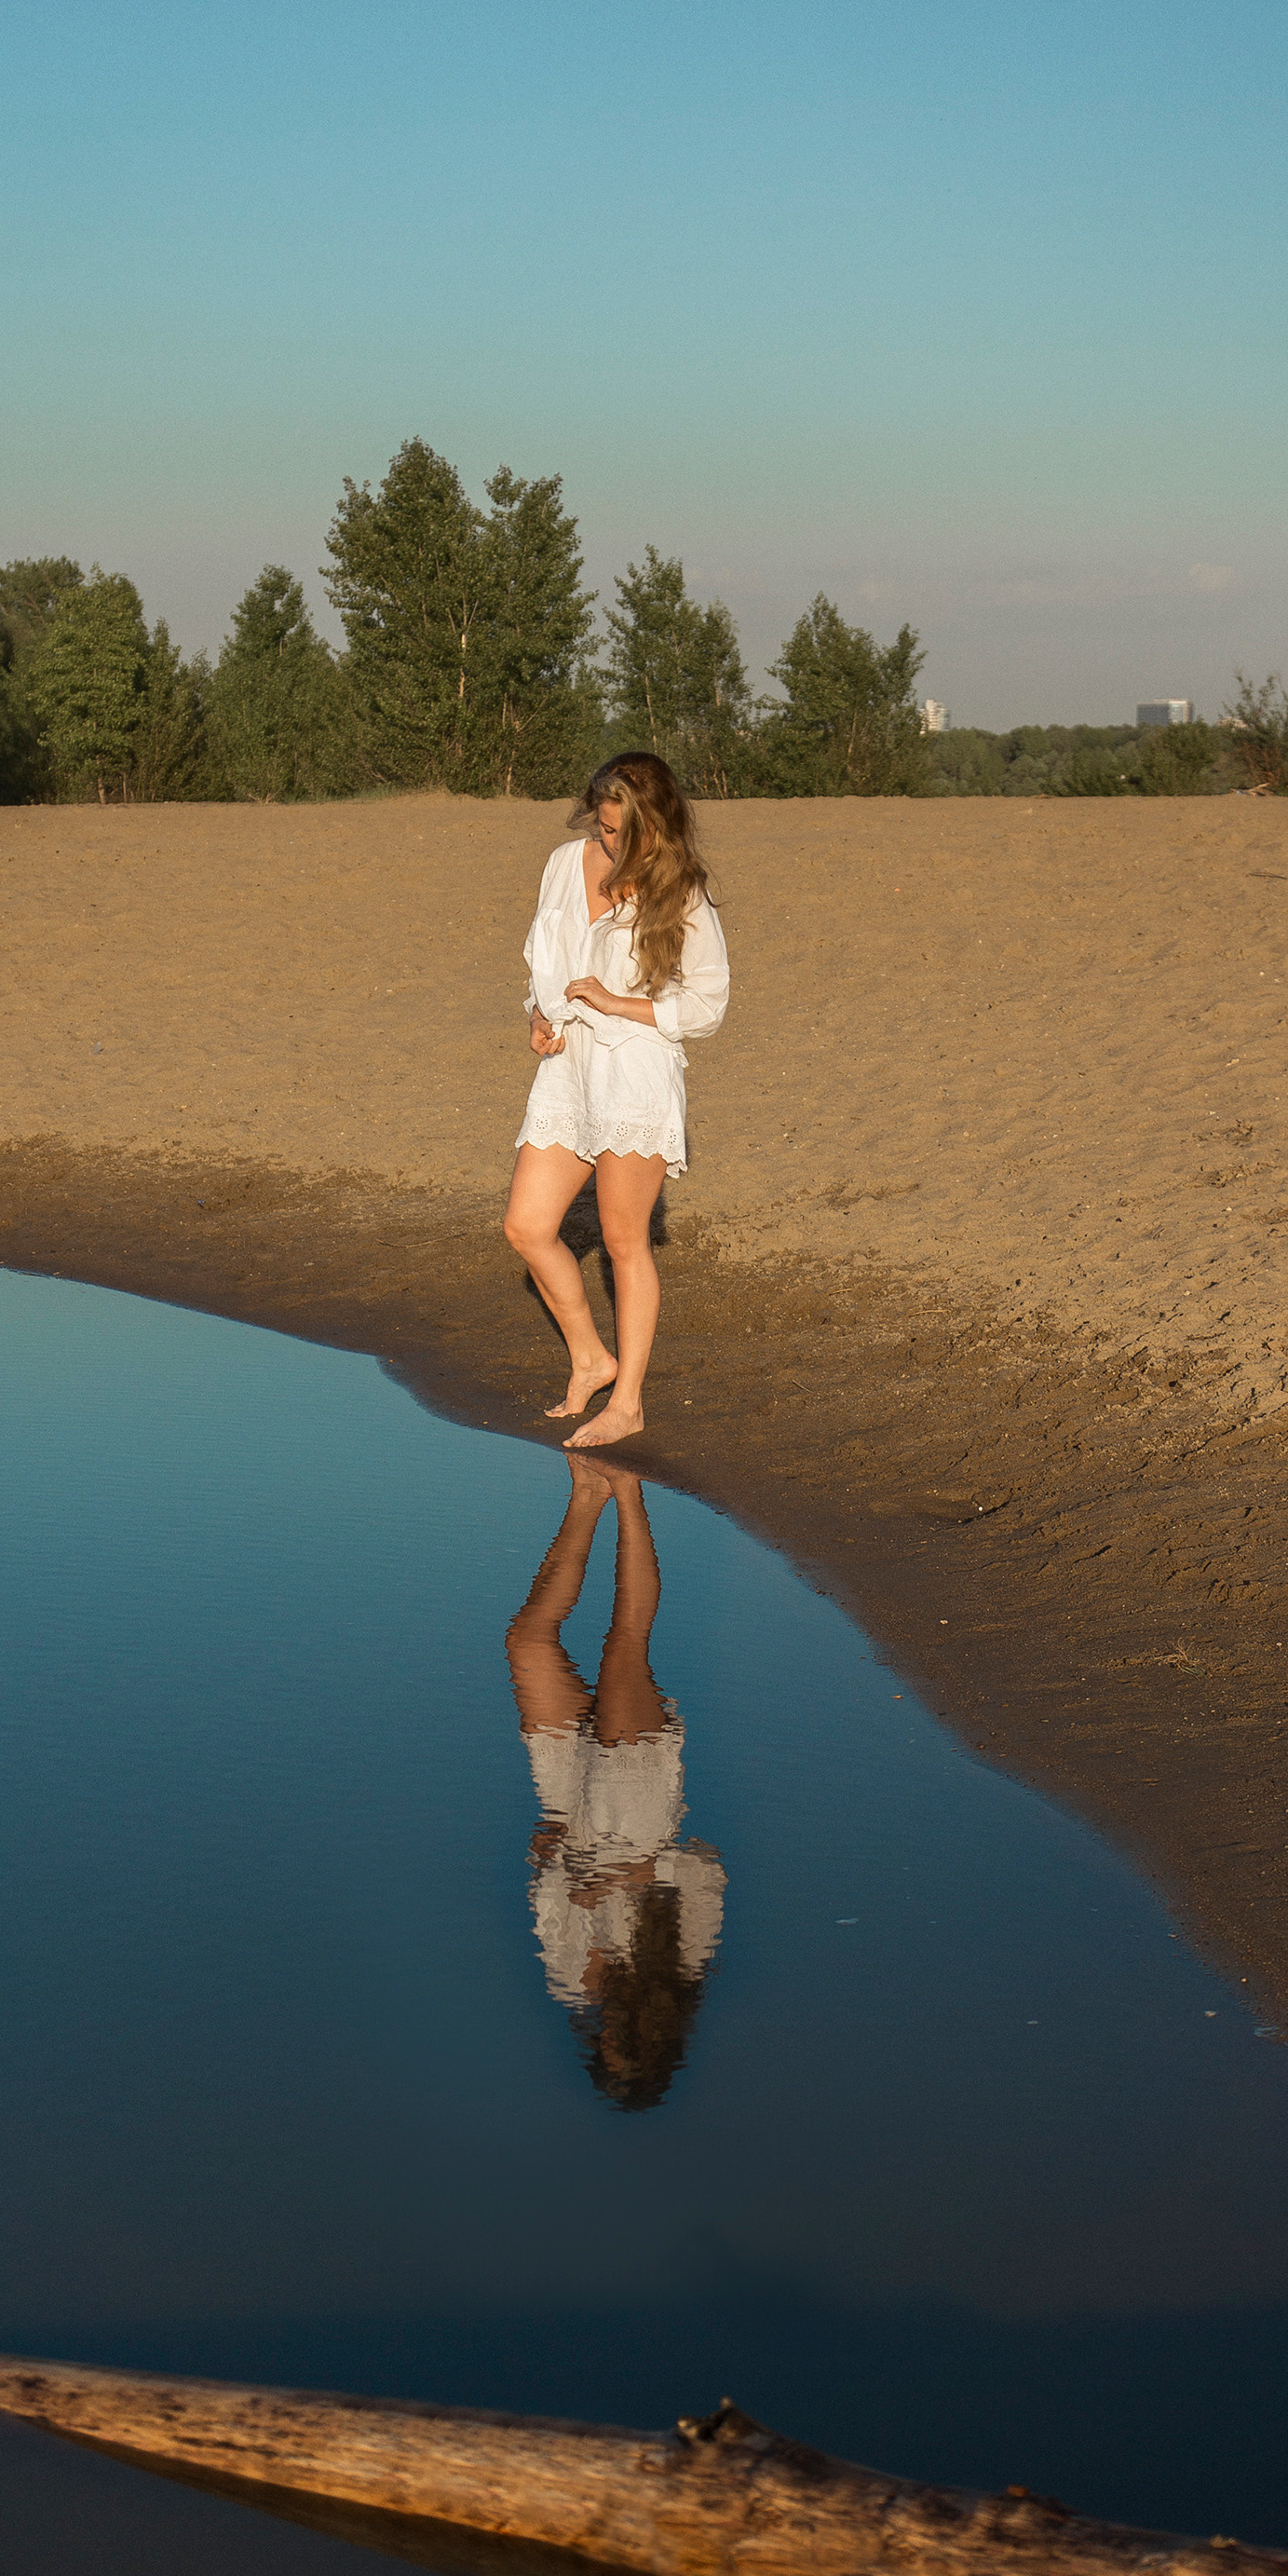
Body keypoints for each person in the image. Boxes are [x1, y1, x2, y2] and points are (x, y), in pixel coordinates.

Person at [504, 753, 730, 1449]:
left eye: (618, 834)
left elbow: (708, 1004)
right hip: (568, 1070)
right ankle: (590, 1358)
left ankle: (627, 1401)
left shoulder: (680, 891)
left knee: (625, 1242)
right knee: (527, 1227)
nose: (607, 845)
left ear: (653, 827)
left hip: (634, 1071)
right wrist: (537, 1019)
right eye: (601, 829)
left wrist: (618, 1002)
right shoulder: (561, 864)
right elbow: (545, 962)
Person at [505, 1453, 725, 2109]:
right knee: (624, 1644)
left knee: (527, 1643)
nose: (609, 2031)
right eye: (626, 2043)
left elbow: (546, 1889)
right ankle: (628, 1490)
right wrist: (631, 1879)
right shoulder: (685, 1964)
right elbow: (705, 1869)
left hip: (566, 1804)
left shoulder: (571, 1983)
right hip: (636, 1818)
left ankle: (586, 1496)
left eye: (605, 2045)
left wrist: (549, 1858)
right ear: (656, 2042)